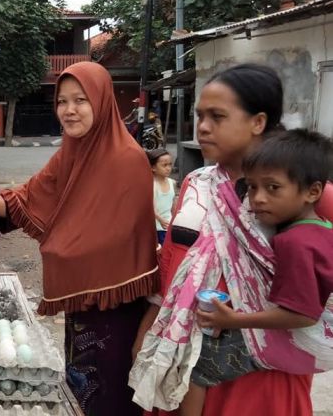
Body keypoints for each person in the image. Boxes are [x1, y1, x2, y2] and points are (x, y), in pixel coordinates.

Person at [129, 63, 333, 416]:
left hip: (264, 370)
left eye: (217, 116)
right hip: (186, 353)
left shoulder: (311, 195)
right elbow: (175, 265)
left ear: (258, 121)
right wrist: (149, 331)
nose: (203, 127)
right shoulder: (198, 184)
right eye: (200, 116)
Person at [0, 62, 159, 415]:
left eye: (80, 100)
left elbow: (114, 241)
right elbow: (25, 199)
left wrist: (60, 251)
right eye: (62, 101)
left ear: (101, 101)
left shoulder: (128, 160)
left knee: (111, 397)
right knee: (80, 389)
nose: (69, 110)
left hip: (117, 309)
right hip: (80, 305)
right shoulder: (70, 153)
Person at [180, 128, 333, 416]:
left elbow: (301, 314)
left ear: (313, 191)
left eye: (272, 188)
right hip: (319, 344)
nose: (258, 199)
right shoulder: (323, 228)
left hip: (303, 340)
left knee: (196, 369)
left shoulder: (293, 242)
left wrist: (235, 319)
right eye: (251, 187)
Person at [147, 149, 176, 245]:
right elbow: (149, 207)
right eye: (164, 165)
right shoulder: (152, 185)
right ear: (153, 168)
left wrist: (175, 220)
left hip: (169, 226)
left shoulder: (172, 182)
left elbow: (173, 205)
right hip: (157, 229)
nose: (168, 168)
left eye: (170, 164)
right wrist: (160, 219)